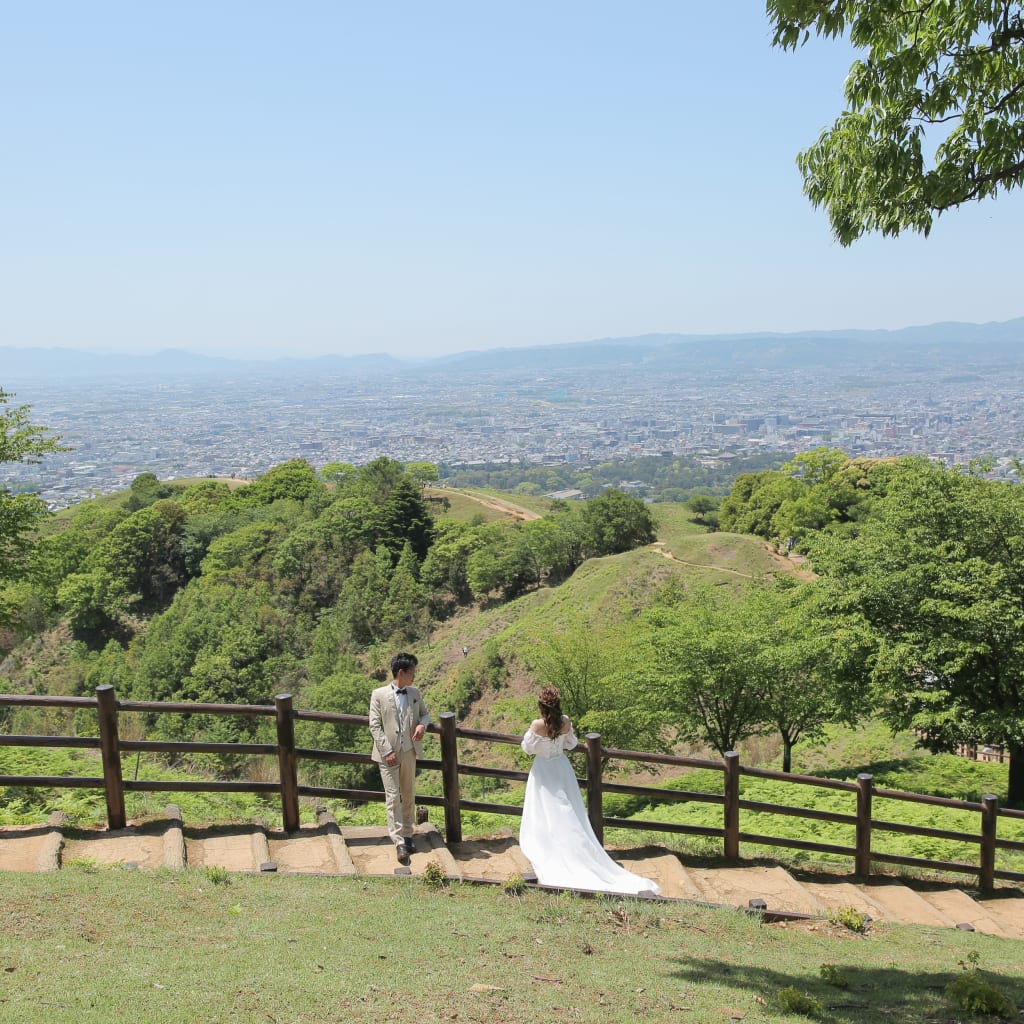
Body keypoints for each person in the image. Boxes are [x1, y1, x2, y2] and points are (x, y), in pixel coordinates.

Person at [518, 685, 660, 896]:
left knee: (545, 809)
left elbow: (527, 748)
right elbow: (571, 743)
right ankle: (575, 848)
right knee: (568, 809)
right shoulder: (565, 722)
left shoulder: (537, 725)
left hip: (543, 770)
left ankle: (550, 846)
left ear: (540, 705)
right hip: (561, 767)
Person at [369, 652, 430, 862]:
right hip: (387, 754)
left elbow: (425, 714)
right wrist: (387, 751)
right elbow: (374, 726)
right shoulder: (378, 694)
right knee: (393, 797)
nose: (415, 676)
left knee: (409, 793)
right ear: (401, 673)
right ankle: (398, 841)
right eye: (412, 672)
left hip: (409, 751)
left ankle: (408, 833)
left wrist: (422, 725)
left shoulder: (414, 692)